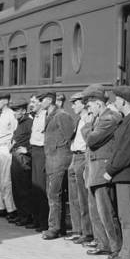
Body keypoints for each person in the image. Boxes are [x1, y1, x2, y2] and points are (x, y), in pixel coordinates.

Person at [102, 85, 130, 259]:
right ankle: (125, 252)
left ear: (124, 101)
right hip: (123, 174)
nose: (114, 101)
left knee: (128, 217)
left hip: (126, 174)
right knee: (124, 216)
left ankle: (129, 255)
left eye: (116, 98)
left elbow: (125, 151)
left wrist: (110, 170)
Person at [84, 86, 122, 257]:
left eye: (90, 105)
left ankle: (116, 248)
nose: (88, 109)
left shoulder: (109, 118)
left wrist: (87, 126)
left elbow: (92, 139)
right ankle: (103, 243)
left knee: (107, 211)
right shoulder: (99, 118)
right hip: (94, 169)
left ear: (98, 104)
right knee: (97, 211)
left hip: (102, 169)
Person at [42, 91, 77, 239]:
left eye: (40, 100)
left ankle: (54, 228)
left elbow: (69, 136)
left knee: (54, 195)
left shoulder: (61, 115)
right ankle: (59, 227)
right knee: (54, 195)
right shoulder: (50, 115)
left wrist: (60, 153)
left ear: (49, 100)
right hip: (52, 160)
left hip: (59, 160)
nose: (37, 103)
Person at [66, 92, 94, 244]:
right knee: (74, 197)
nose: (72, 106)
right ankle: (77, 229)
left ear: (83, 103)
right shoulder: (79, 120)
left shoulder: (88, 119)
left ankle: (87, 231)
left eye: (75, 103)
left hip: (83, 157)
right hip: (74, 157)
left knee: (83, 198)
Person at [10, 98, 37, 228]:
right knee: (16, 188)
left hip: (23, 160)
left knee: (23, 189)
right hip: (16, 158)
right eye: (13, 110)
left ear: (23, 111)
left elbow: (36, 141)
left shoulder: (29, 123)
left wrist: (28, 150)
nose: (14, 113)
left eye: (16, 110)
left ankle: (26, 216)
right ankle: (21, 214)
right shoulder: (20, 123)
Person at [28, 93, 50, 230]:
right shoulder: (35, 117)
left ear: (41, 103)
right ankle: (36, 219)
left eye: (34, 102)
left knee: (41, 187)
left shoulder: (45, 117)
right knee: (35, 187)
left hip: (42, 152)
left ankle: (43, 222)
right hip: (34, 152)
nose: (31, 104)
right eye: (31, 102)